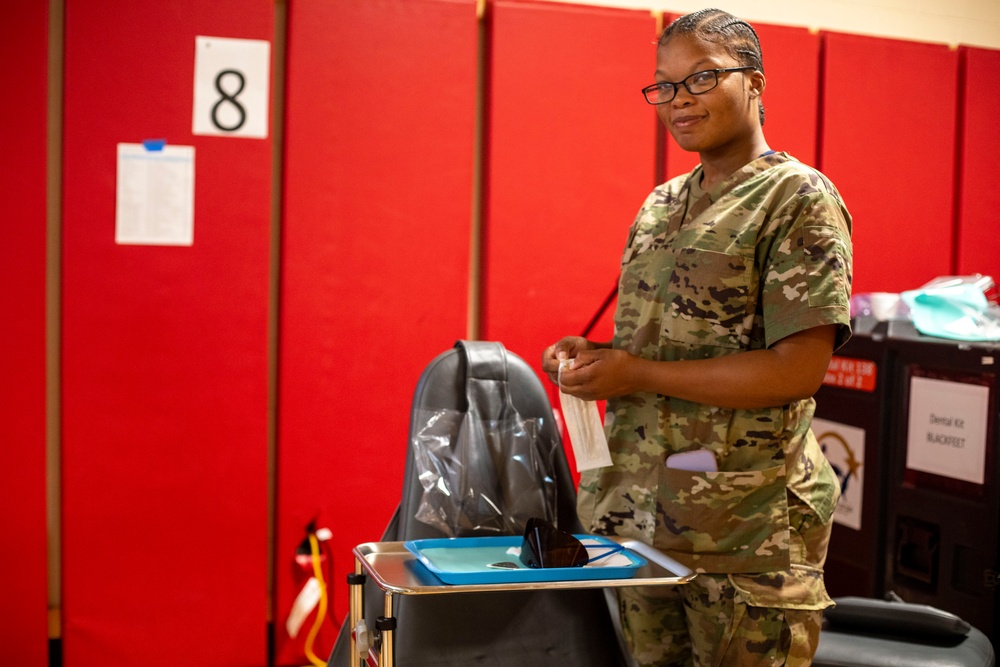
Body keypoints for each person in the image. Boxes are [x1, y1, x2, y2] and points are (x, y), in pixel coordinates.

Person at [542, 9, 853, 667]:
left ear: (756, 82)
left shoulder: (796, 198)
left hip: (747, 535)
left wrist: (636, 374)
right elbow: (658, 344)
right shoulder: (661, 204)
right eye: (665, 85)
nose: (679, 101)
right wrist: (592, 359)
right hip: (644, 521)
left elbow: (796, 369)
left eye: (702, 78)